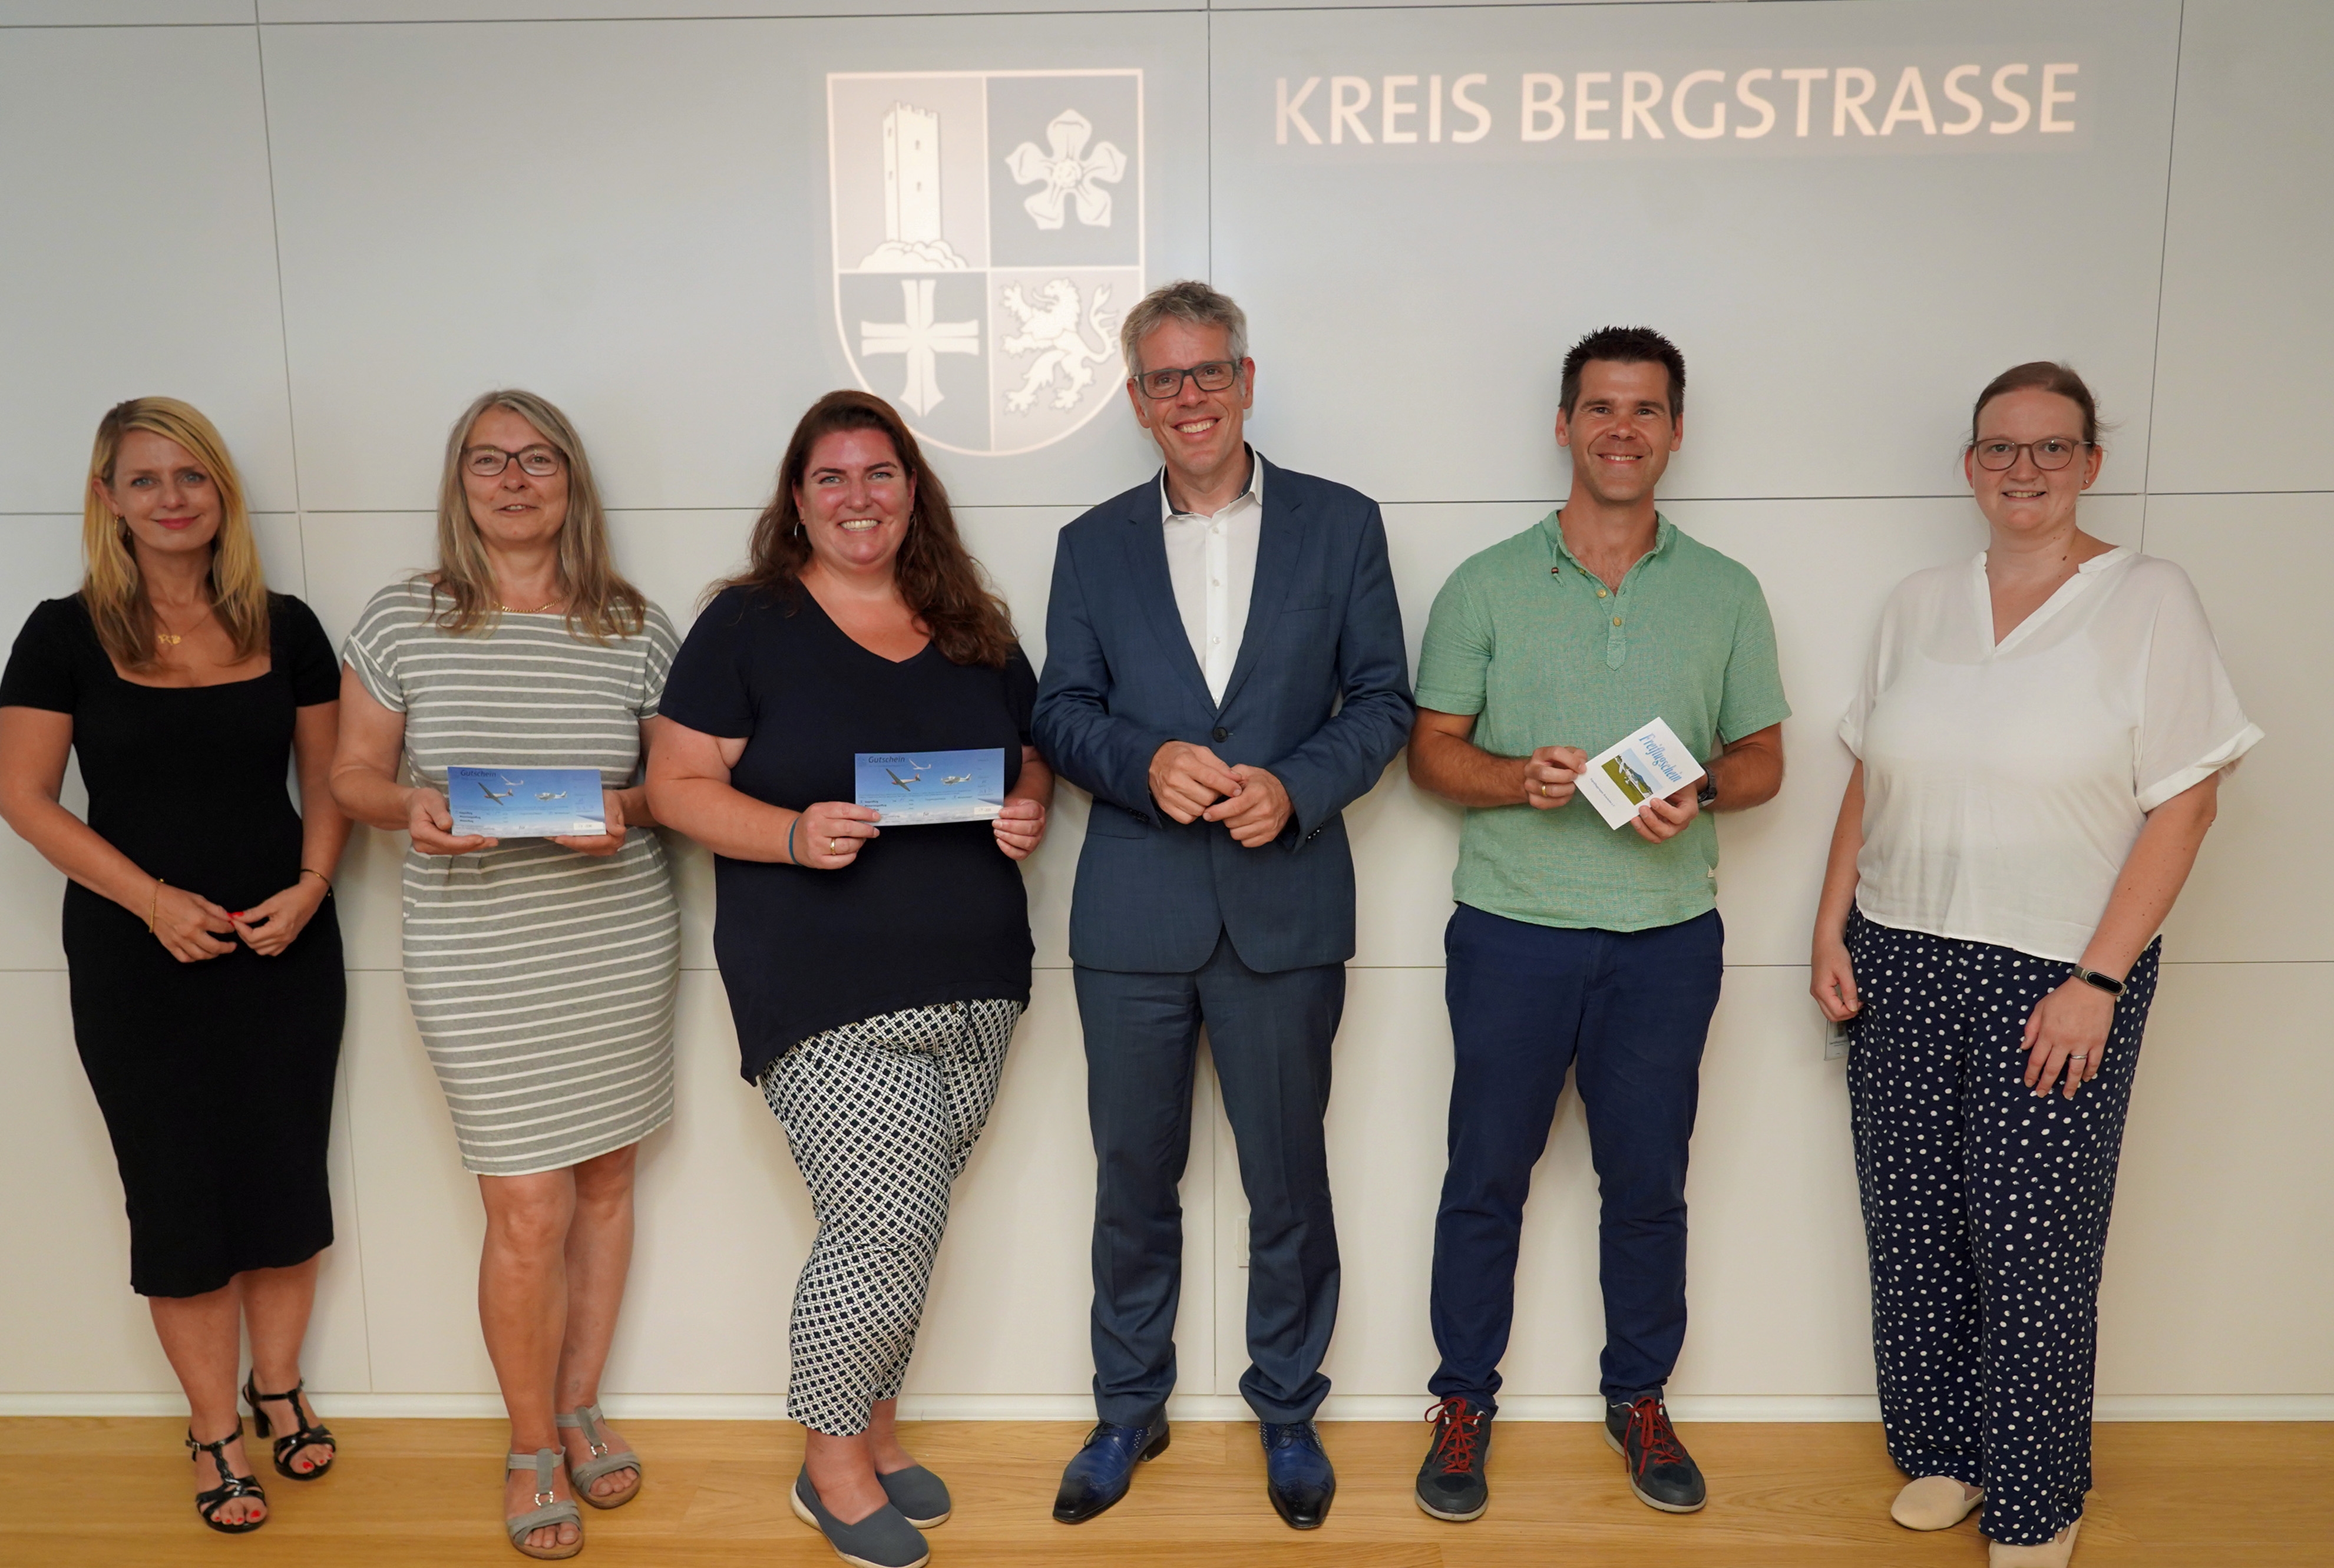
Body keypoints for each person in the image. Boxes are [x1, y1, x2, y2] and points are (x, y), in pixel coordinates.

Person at [1810, 363, 2256, 1568]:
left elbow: (2187, 800)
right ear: (1968, 464)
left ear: (2088, 463)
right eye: (2000, 448)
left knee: (2032, 1243)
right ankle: (1949, 1451)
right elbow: (1870, 776)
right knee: (1912, 1225)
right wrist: (1827, 924)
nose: (2024, 469)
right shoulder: (1917, 601)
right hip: (1898, 951)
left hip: (2053, 970)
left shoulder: (2148, 597)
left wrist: (2100, 977)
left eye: (2050, 448)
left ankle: (2035, 1494)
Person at [647, 390, 1051, 1568]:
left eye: (879, 473)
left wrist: (1027, 803)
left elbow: (1028, 754)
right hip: (821, 982)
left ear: (911, 490)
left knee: (907, 1226)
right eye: (831, 477)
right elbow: (676, 784)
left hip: (978, 977)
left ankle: (874, 1431)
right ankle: (828, 1458)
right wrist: (787, 832)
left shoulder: (970, 621)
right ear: (797, 498)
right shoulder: (747, 624)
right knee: (876, 1224)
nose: (857, 497)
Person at [1034, 280, 1413, 1532]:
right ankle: (1125, 1406)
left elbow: (1380, 703)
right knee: (1131, 1179)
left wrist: (1294, 789)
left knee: (1286, 1180)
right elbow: (1060, 711)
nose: (1188, 397)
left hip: (1283, 905)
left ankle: (1288, 1409)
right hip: (1132, 918)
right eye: (1162, 379)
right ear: (1135, 398)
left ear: (1246, 381)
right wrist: (1140, 761)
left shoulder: (1340, 524)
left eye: (1209, 373)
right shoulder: (1089, 544)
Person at [1406, 328, 1788, 1524]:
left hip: (1667, 936)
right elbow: (1430, 753)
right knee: (1484, 1178)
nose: (1621, 429)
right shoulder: (1485, 581)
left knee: (1648, 1182)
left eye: (1645, 409)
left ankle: (1638, 1396)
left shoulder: (1726, 590)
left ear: (1676, 430)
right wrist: (1515, 775)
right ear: (1563, 425)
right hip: (1511, 930)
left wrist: (1707, 790)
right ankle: (1461, 1399)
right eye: (1599, 407)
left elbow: (1766, 752)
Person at [329, 389, 678, 1560]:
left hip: (613, 936)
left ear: (571, 479)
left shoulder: (632, 623)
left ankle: (580, 1404)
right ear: (459, 479)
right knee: (526, 1204)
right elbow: (352, 778)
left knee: (608, 1180)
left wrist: (621, 809)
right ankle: (530, 1441)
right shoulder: (403, 616)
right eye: (489, 460)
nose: (515, 479)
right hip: (477, 950)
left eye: (538, 460)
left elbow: (672, 788)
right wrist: (409, 807)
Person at [0, 398, 350, 1534]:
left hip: (281, 945)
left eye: (191, 477)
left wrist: (309, 890)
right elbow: (22, 797)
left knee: (285, 1176)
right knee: (177, 1192)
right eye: (144, 480)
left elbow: (330, 783)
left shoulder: (286, 625)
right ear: (108, 498)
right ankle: (210, 1427)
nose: (171, 499)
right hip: (135, 956)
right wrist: (151, 902)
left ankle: (280, 1385)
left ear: (222, 495)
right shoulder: (61, 632)